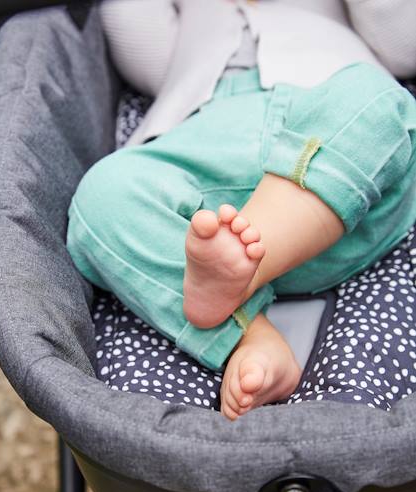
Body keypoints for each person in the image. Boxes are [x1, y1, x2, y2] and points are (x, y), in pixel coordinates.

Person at [66, 0, 416, 420]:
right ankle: (249, 331)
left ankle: (248, 261)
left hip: (340, 171)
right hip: (208, 164)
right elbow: (140, 46)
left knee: (374, 95)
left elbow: (403, 47)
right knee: (102, 194)